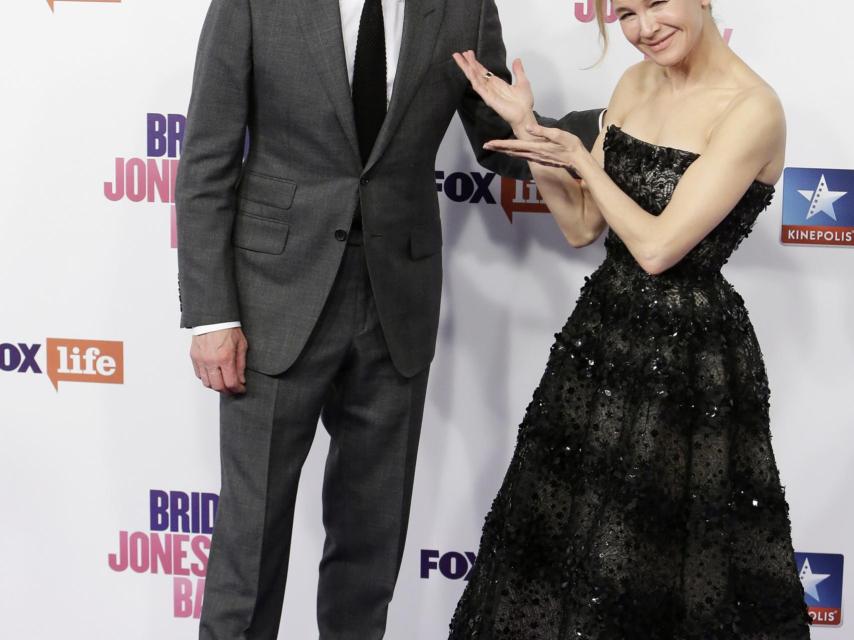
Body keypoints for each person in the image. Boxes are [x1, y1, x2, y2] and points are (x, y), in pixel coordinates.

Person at [175, 0, 601, 638]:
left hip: (396, 302)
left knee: (370, 541)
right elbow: (207, 159)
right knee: (250, 538)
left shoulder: (464, 7)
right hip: (273, 301)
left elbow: (497, 133)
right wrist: (211, 315)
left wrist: (614, 129)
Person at [447, 0, 812, 637]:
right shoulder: (634, 82)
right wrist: (529, 129)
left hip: (690, 358)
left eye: (655, 4)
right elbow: (582, 226)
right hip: (602, 338)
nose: (643, 29)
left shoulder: (752, 107)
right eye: (625, 14)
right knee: (567, 540)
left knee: (650, 554)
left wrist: (583, 159)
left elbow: (657, 248)